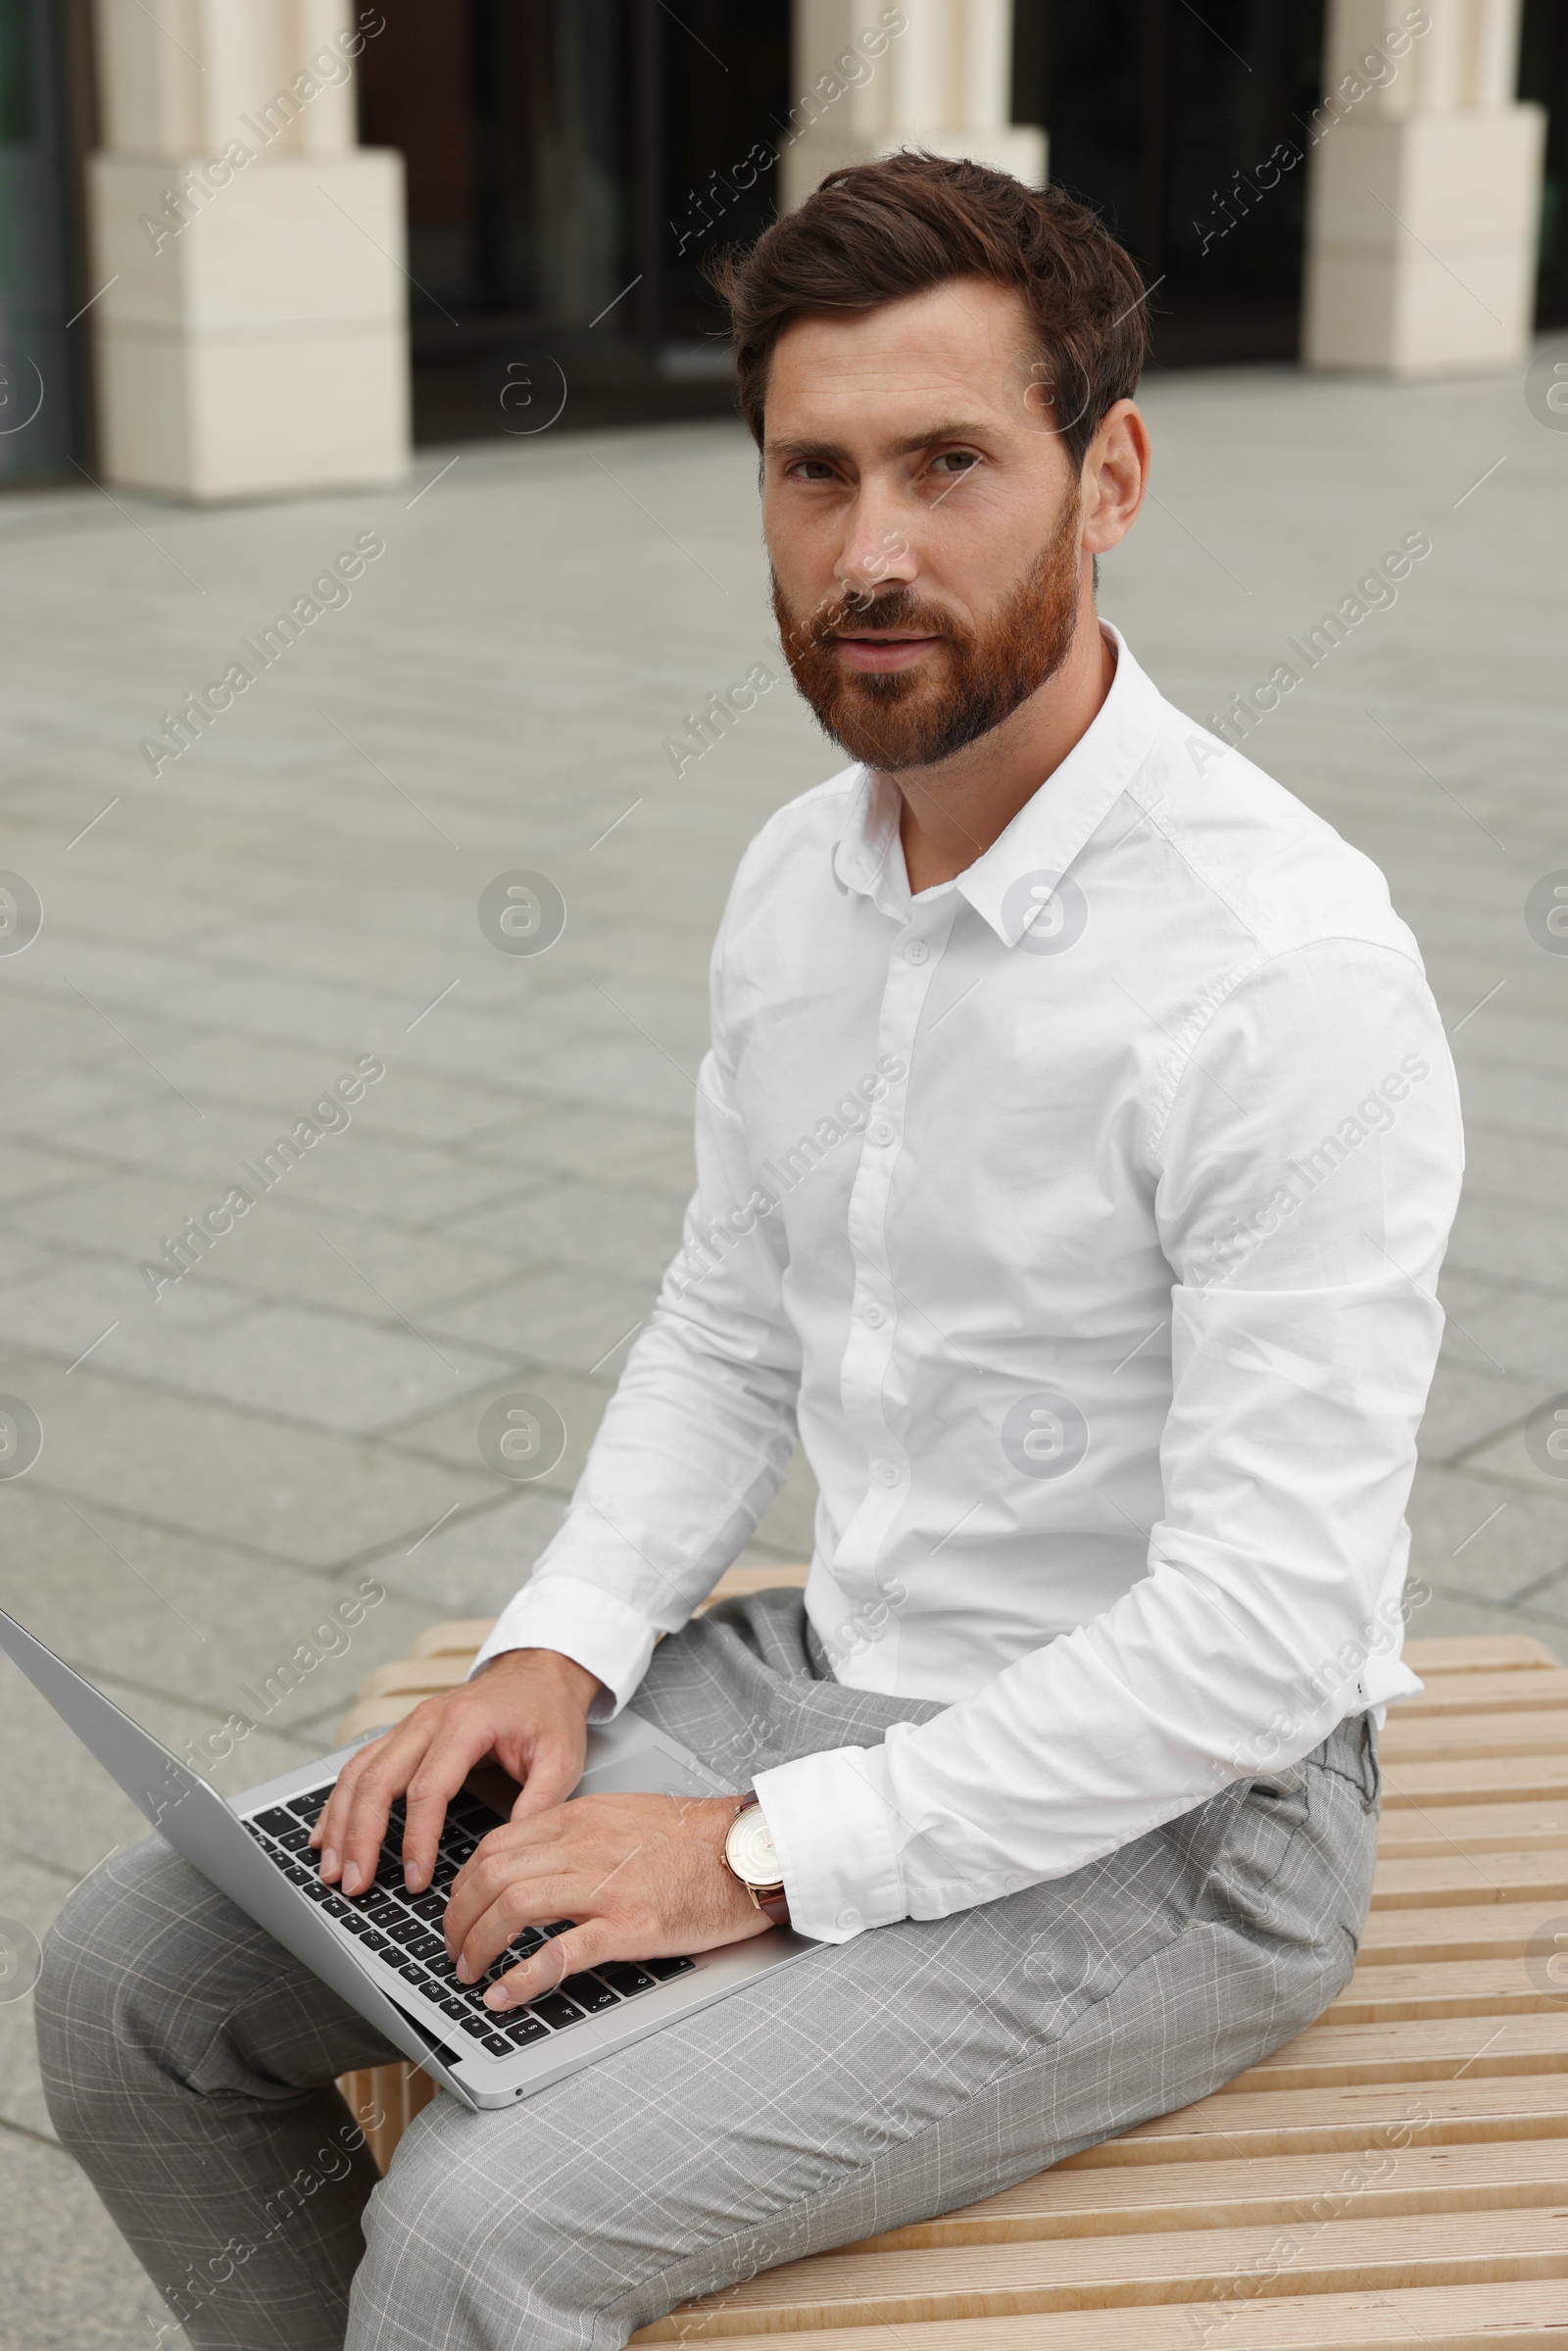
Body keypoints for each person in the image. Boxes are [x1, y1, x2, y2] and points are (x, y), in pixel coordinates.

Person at [37, 153, 1461, 2351]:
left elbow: (1266, 1634)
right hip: (821, 1675)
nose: (865, 552)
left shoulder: (1284, 972)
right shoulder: (800, 878)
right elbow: (727, 1319)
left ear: (1110, 478)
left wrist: (760, 1854)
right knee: (134, 1987)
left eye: (946, 465)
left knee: (483, 2233)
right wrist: (559, 1648)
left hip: (1190, 1822)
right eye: (812, 473)